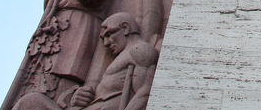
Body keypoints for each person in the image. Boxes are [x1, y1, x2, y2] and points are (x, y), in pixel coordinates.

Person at [19, 0, 128, 102]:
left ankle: (62, 102)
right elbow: (51, 7)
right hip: (55, 28)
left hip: (80, 26)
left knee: (64, 73)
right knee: (40, 75)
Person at [13, 12, 159, 110]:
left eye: (109, 35)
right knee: (30, 102)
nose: (107, 43)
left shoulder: (140, 50)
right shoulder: (125, 55)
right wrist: (80, 97)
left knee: (30, 103)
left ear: (125, 28)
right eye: (104, 39)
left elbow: (144, 93)